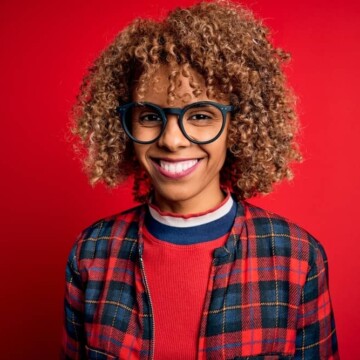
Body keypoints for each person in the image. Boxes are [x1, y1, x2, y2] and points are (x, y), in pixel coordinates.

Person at [62, 1, 339, 359]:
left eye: (201, 115)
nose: (172, 139)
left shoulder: (297, 259)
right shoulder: (91, 254)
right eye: (149, 115)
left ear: (237, 126)